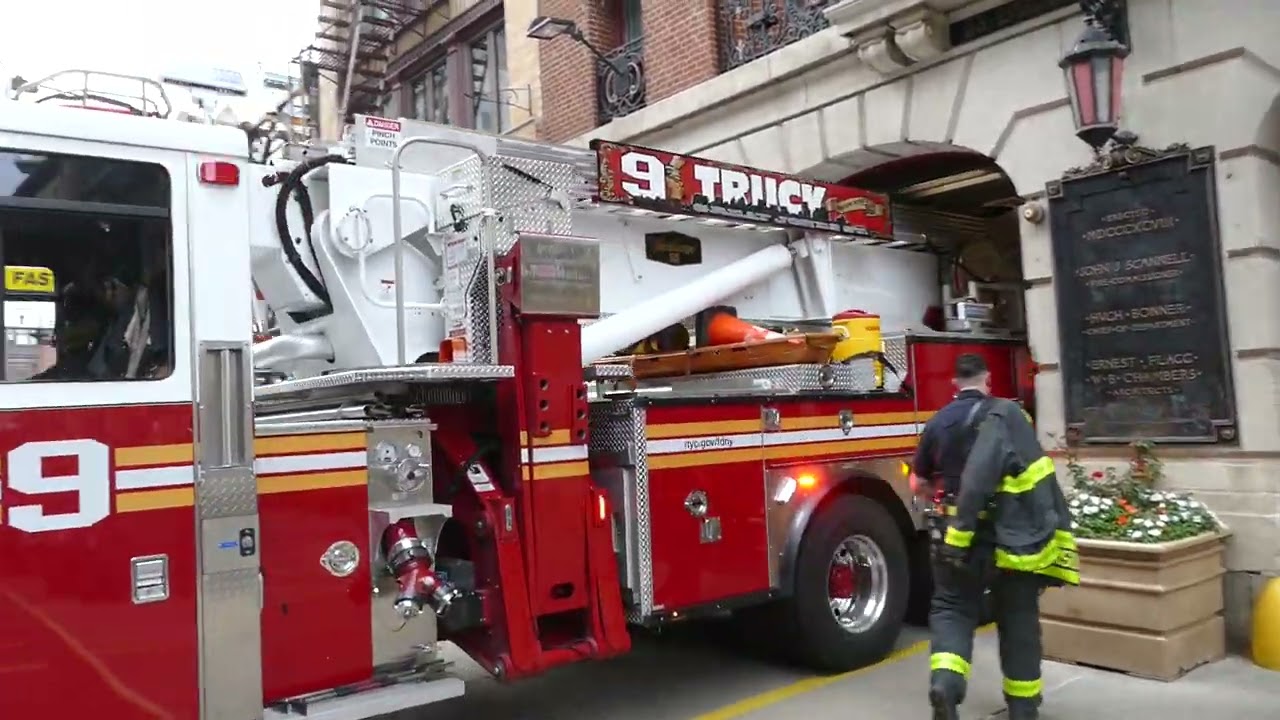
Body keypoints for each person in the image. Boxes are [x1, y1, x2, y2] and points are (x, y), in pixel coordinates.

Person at [913, 354, 1079, 720]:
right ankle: (1023, 707)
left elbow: (917, 482)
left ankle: (946, 685)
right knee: (1018, 618)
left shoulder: (938, 422)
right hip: (1012, 540)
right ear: (987, 379)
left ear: (954, 383)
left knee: (952, 610)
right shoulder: (1010, 417)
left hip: (955, 538)